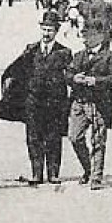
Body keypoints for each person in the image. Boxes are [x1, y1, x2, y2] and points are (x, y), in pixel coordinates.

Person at [10, 10, 72, 185]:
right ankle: (37, 173)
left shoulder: (64, 52)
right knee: (34, 138)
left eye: (50, 30)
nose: (46, 34)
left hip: (55, 103)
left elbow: (70, 76)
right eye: (44, 29)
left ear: (56, 31)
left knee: (53, 137)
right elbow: (18, 70)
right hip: (33, 102)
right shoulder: (31, 50)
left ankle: (53, 173)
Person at [67, 23, 112, 189]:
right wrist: (73, 78)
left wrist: (97, 81)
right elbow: (68, 73)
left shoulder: (110, 57)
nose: (84, 40)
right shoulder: (79, 56)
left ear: (99, 37)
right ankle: (88, 168)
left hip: (99, 103)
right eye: (83, 36)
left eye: (88, 36)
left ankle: (96, 177)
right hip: (79, 102)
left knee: (98, 140)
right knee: (75, 137)